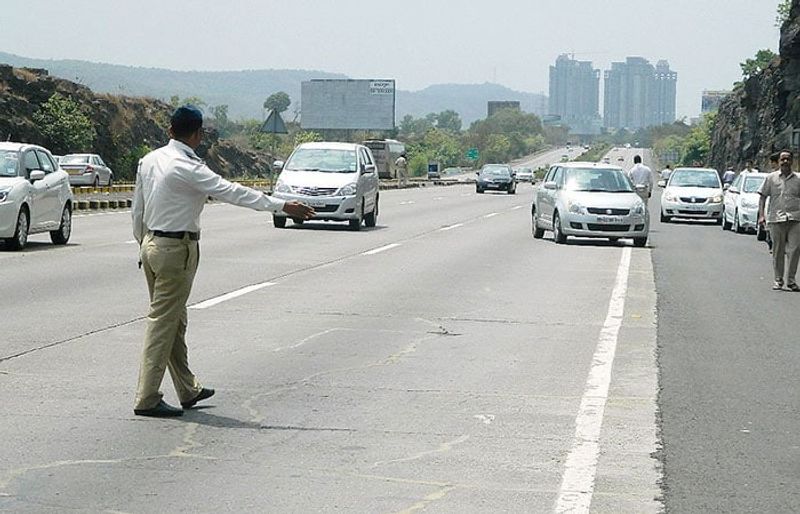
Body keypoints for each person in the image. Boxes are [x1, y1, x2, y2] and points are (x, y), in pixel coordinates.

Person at [131, 105, 315, 417]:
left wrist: (143, 244)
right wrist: (282, 206)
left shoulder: (149, 161)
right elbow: (234, 193)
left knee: (174, 320)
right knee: (163, 323)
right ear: (198, 134)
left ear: (170, 130)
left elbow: (138, 208)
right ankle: (147, 397)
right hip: (176, 250)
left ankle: (188, 388)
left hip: (151, 245)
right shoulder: (188, 167)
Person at [757, 150, 800, 291]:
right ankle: (778, 280)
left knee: (794, 250)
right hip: (776, 218)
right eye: (783, 159)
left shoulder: (798, 179)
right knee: (778, 251)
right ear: (779, 161)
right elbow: (763, 196)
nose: (785, 162)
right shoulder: (771, 178)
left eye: (788, 159)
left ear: (792, 161)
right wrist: (761, 215)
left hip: (795, 219)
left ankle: (791, 280)